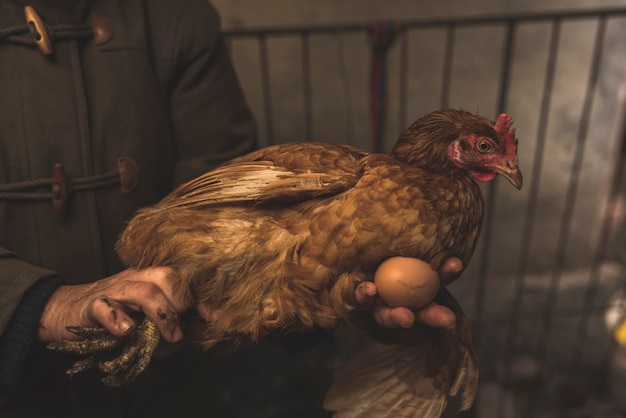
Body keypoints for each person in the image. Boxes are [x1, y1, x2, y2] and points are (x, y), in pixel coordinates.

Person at [0, 0, 460, 417]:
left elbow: (226, 189)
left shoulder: (174, 16)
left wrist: (324, 292)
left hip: (173, 375)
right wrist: (38, 306)